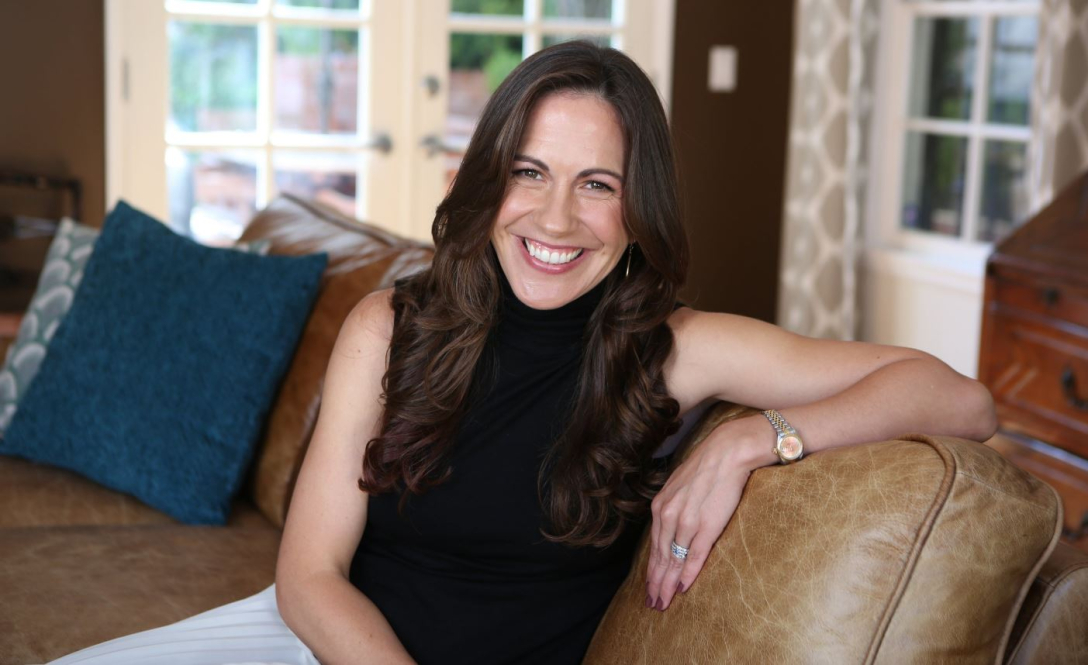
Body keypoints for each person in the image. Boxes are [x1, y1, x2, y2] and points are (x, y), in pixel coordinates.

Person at [49, 41, 996, 665]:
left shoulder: (676, 349)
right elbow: (309, 576)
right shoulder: (390, 327)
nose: (554, 218)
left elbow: (961, 398)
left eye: (597, 185)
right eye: (529, 173)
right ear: (488, 180)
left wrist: (755, 439)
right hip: (316, 645)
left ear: (639, 208)